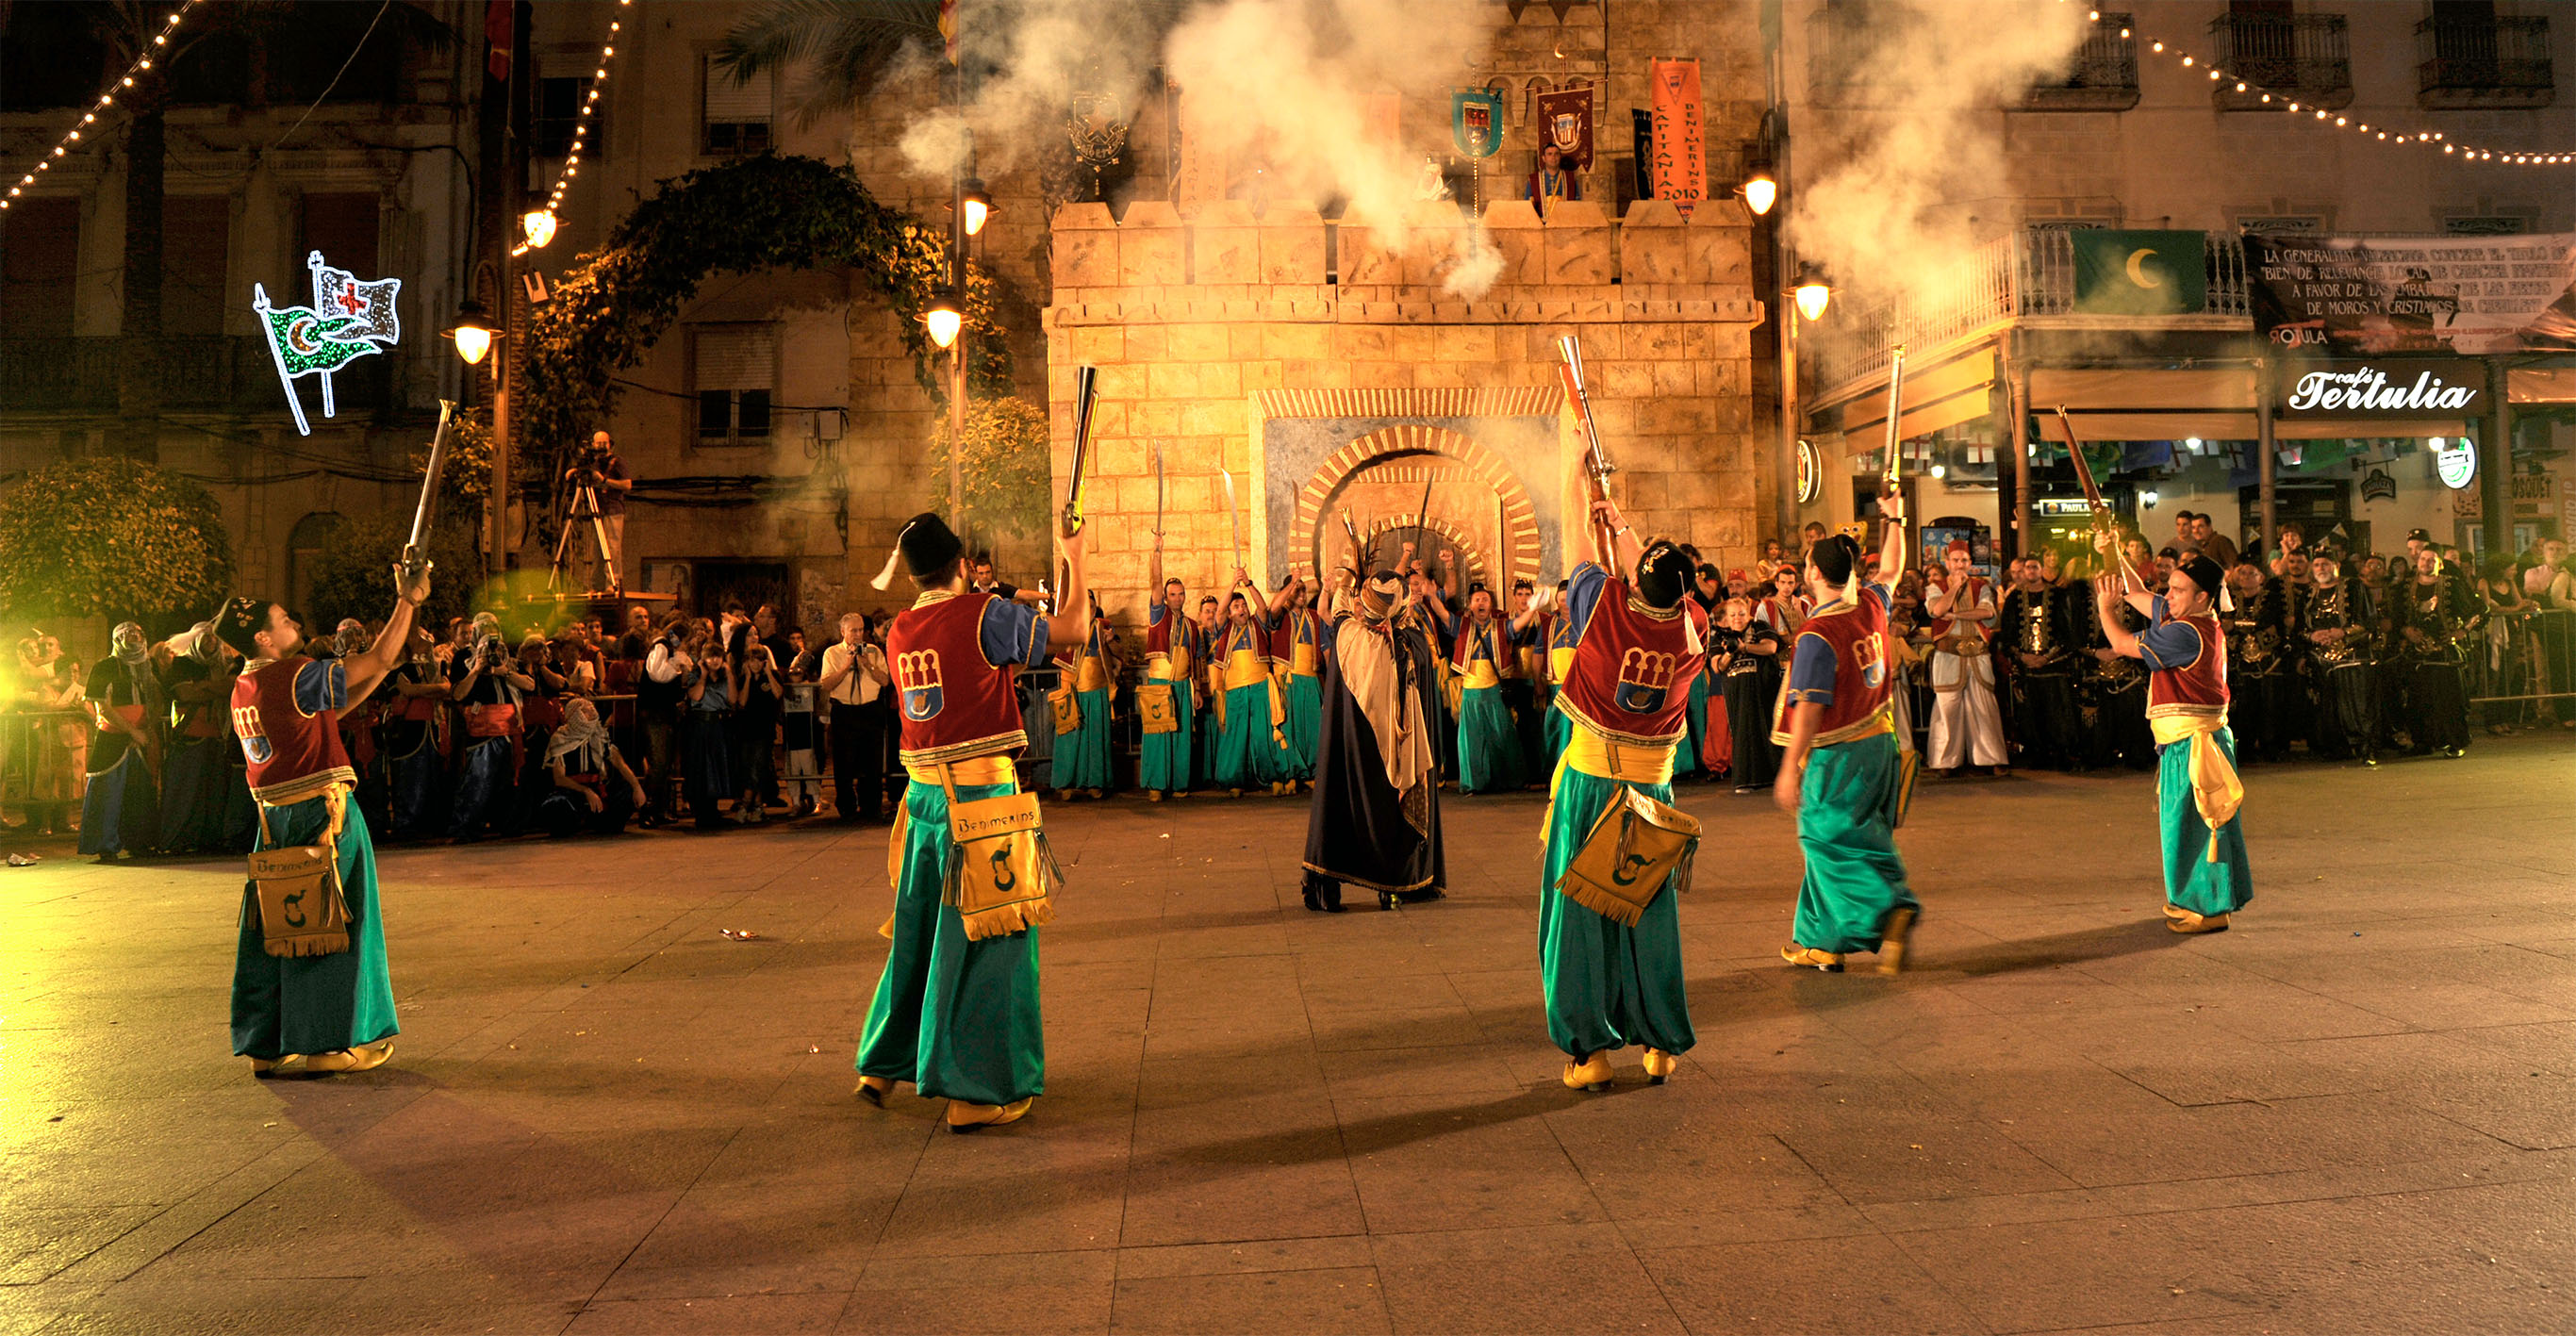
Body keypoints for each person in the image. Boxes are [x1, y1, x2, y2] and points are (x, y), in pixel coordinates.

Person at [855, 511, 1087, 1131]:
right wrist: (1075, 557)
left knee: (919, 935)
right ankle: (977, 1091)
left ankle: (883, 1063)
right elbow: (1072, 630)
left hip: (923, 802)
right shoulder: (982, 614)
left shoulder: (901, 628)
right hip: (981, 805)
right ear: (962, 565)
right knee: (994, 944)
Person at [217, 554, 430, 1077]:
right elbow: (379, 659)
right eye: (283, 619)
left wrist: (376, 669)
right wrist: (409, 600)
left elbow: (335, 707)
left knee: (281, 929)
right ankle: (329, 1044)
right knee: (339, 925)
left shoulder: (246, 685)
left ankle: (268, 1046)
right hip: (325, 816)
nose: (293, 623)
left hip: (275, 823)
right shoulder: (297, 674)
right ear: (265, 639)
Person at [1540, 496, 1707, 1092]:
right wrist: (1625, 528)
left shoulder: (1605, 609)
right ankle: (1659, 1045)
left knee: (1581, 916)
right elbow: (1648, 581)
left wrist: (1594, 519)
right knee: (1649, 912)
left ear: (1634, 584)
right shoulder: (1694, 630)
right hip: (1653, 788)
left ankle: (1589, 1056)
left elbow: (1584, 561)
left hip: (1593, 785)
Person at [1774, 504, 1917, 974]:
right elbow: (1892, 569)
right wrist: (1895, 518)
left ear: (1813, 572)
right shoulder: (1871, 602)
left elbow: (1811, 708)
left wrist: (1789, 767)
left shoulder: (1819, 632)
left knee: (1825, 838)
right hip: (1881, 743)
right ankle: (1820, 940)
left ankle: (1886, 909)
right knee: (1862, 835)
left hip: (1839, 754)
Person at [2090, 541, 2251, 934]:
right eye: (2170, 587)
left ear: (2203, 597)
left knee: (2196, 829)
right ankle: (2198, 902)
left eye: (2177, 590)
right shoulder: (2190, 617)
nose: (2167, 596)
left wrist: (2105, 609)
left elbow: (2122, 644)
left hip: (2194, 746)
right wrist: (2113, 547)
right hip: (2192, 742)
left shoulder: (2186, 632)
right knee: (2188, 826)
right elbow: (2137, 592)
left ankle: (2208, 909)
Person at [1301, 566, 1445, 913]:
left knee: (1338, 809)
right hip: (1395, 754)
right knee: (1389, 816)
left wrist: (1345, 580)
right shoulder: (1411, 646)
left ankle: (1325, 889)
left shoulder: (1348, 634)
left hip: (1348, 746)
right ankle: (1397, 885)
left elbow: (1338, 611)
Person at [78, 621, 163, 861]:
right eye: (125, 634)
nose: (132, 636)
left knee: (141, 792)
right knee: (108, 793)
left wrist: (146, 728)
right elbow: (102, 707)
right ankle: (105, 845)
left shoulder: (149, 665)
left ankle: (140, 842)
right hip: (113, 737)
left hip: (142, 736)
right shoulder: (105, 666)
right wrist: (131, 731)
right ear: (116, 639)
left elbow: (156, 700)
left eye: (137, 632)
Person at [1922, 540, 2006, 776]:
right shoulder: (1935, 587)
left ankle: (1992, 758)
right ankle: (1945, 762)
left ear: (1970, 563)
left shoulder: (1982, 586)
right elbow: (1936, 611)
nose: (1960, 565)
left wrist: (1956, 615)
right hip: (1949, 656)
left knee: (1984, 708)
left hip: (1977, 655)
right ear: (1947, 562)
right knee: (1948, 709)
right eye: (1956, 560)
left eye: (1964, 561)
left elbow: (1987, 612)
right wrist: (1953, 590)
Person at [445, 625, 531, 841]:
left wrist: (505, 671)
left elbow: (529, 685)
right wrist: (476, 669)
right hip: (482, 731)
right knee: (477, 782)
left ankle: (507, 825)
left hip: (509, 731)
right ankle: (465, 828)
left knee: (509, 782)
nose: (494, 653)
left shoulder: (510, 663)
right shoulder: (466, 661)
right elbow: (457, 694)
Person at [1999, 556, 2081, 771]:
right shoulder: (2014, 597)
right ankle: (2038, 753)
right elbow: (2008, 632)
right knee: (2031, 714)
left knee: (2058, 712)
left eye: (2035, 567)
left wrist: (2047, 657)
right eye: (2028, 568)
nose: (2032, 571)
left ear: (2041, 569)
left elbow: (2067, 629)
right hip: (2026, 666)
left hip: (2054, 665)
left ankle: (2062, 754)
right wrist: (2022, 656)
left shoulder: (2058, 595)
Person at [1446, 582, 1528, 795]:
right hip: (1471, 691)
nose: (1481, 603)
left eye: (1485, 599)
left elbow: (1519, 624)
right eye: (1477, 600)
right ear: (1470, 605)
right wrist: (1432, 596)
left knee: (1502, 735)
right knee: (1472, 740)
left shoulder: (1500, 626)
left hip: (1494, 689)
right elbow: (1443, 615)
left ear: (1491, 605)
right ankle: (1474, 783)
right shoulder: (1463, 626)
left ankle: (1508, 781)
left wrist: (1534, 607)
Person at [1211, 574, 1284, 796]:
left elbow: (1262, 607)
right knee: (1236, 735)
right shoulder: (1224, 628)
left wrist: (1248, 584)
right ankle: (1234, 780)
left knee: (1264, 733)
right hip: (1235, 689)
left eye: (1243, 605)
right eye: (1236, 606)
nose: (1241, 609)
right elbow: (1220, 610)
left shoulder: (1257, 623)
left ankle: (1272, 777)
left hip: (1260, 686)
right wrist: (1233, 582)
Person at [2303, 550, 2378, 765]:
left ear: (2336, 565)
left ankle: (2365, 747)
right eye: (2317, 565)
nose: (2321, 569)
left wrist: (2343, 632)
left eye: (2325, 564)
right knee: (2329, 706)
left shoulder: (2355, 587)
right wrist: (2312, 635)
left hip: (2353, 655)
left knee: (2358, 705)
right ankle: (2338, 748)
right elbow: (2301, 627)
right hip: (2322, 658)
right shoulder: (2309, 593)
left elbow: (2369, 620)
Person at [1140, 545, 1203, 800]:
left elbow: (1197, 660)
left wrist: (1197, 689)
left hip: (1182, 685)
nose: (1177, 598)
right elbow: (1155, 583)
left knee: (1181, 736)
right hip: (1159, 684)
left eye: (1181, 594)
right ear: (1165, 598)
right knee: (1158, 736)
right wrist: (1156, 554)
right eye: (1173, 595)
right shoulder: (1159, 614)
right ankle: (1156, 784)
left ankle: (1179, 783)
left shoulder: (1192, 626)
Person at [2399, 549, 2474, 757]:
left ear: (2439, 563)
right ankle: (2423, 742)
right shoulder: (2407, 586)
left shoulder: (2452, 584)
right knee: (2418, 701)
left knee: (2449, 700)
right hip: (2417, 655)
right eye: (2423, 559)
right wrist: (2406, 631)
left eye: (2432, 560)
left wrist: (2462, 631)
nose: (2427, 563)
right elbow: (2397, 617)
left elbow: (2477, 610)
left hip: (2444, 654)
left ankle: (2453, 742)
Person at [535, 696, 645, 836]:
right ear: (575, 715)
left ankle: (604, 823)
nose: (592, 712)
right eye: (586, 710)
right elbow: (559, 778)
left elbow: (621, 765)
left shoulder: (600, 736)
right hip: (571, 791)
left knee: (626, 790)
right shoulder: (560, 738)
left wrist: (637, 787)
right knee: (557, 803)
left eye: (592, 708)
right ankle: (570, 825)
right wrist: (586, 791)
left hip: (597, 789)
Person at [819, 613, 892, 821]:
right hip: (845, 712)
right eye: (854, 631)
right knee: (844, 762)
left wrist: (867, 664)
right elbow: (826, 684)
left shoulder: (874, 652)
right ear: (843, 632)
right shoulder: (831, 654)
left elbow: (885, 680)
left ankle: (872, 806)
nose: (859, 634)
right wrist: (847, 665)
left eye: (861, 630)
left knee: (873, 762)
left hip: (870, 711)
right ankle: (847, 807)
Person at [1050, 594, 1115, 800]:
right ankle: (1066, 783)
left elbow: (1117, 654)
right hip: (1072, 688)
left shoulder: (1102, 628)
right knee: (1070, 737)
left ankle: (1095, 782)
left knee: (1096, 737)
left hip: (1097, 689)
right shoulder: (1067, 628)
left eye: (1093, 606)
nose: (1090, 609)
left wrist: (1111, 641)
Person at [1267, 574, 1329, 786]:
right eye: (1297, 590)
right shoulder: (1280, 615)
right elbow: (1273, 608)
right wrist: (1292, 583)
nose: (1301, 594)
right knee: (1289, 728)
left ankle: (1312, 772)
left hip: (1310, 679)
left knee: (1313, 728)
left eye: (1303, 590)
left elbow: (1325, 648)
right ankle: (1291, 773)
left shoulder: (1314, 616)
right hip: (1288, 679)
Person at [564, 430, 633, 593]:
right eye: (598, 443)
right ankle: (596, 585)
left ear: (610, 444)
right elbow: (576, 474)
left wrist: (604, 481)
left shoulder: (617, 462)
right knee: (597, 550)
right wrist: (575, 472)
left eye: (604, 443)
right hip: (598, 510)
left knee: (612, 548)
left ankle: (612, 583)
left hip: (613, 509)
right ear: (593, 445)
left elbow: (628, 485)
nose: (601, 447)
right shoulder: (593, 463)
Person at [1525, 140, 1581, 216]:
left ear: (1560, 157)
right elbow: (1527, 205)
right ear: (1544, 158)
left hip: (1565, 221)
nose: (1553, 157)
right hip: (1542, 223)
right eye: (1549, 154)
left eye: (1556, 154)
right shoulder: (1534, 179)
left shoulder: (1570, 178)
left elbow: (1577, 203)